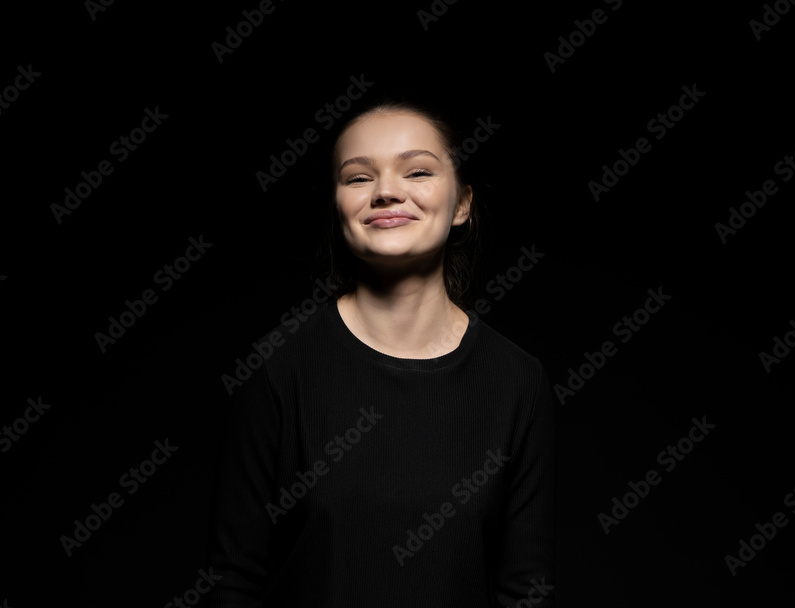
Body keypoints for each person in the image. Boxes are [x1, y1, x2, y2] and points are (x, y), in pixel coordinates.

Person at [206, 99, 555, 607]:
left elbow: (527, 591)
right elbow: (231, 583)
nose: (387, 191)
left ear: (462, 204)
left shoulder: (518, 382)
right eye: (357, 178)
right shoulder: (277, 369)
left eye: (416, 170)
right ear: (337, 206)